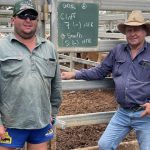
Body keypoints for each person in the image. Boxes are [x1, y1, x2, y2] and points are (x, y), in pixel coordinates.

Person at [61, 10, 150, 150]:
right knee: (105, 145)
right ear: (125, 33)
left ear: (145, 31)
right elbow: (100, 71)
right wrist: (75, 74)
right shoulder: (118, 51)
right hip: (123, 112)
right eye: (129, 30)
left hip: (145, 113)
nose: (133, 33)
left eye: (137, 29)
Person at [0, 0, 62, 150]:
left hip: (41, 122)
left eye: (32, 16)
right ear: (13, 20)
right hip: (10, 124)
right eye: (23, 15)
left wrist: (52, 114)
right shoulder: (2, 47)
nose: (28, 20)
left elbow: (56, 85)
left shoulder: (49, 48)